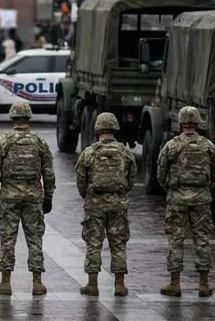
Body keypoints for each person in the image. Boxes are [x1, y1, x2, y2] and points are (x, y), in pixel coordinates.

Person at [0, 101, 56, 296]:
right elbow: (49, 173)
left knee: (7, 239)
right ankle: (37, 283)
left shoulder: (3, 142)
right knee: (35, 239)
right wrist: (48, 196)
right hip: (33, 198)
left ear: (12, 117)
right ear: (28, 117)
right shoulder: (39, 143)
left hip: (9, 198)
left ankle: (5, 282)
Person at [156, 105, 215, 297]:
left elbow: (161, 173)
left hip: (177, 199)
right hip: (201, 199)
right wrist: (203, 189)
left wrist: (172, 189)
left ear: (181, 123)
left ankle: (175, 283)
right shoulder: (208, 146)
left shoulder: (171, 146)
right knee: (202, 239)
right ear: (197, 123)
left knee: (175, 240)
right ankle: (204, 284)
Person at [74, 112, 136, 296]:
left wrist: (88, 196)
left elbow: (81, 179)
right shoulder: (125, 152)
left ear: (98, 130)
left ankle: (92, 284)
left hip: (95, 206)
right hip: (118, 205)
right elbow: (131, 178)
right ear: (115, 130)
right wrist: (120, 193)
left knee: (93, 244)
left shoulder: (89, 152)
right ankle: (120, 285)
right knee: (118, 244)